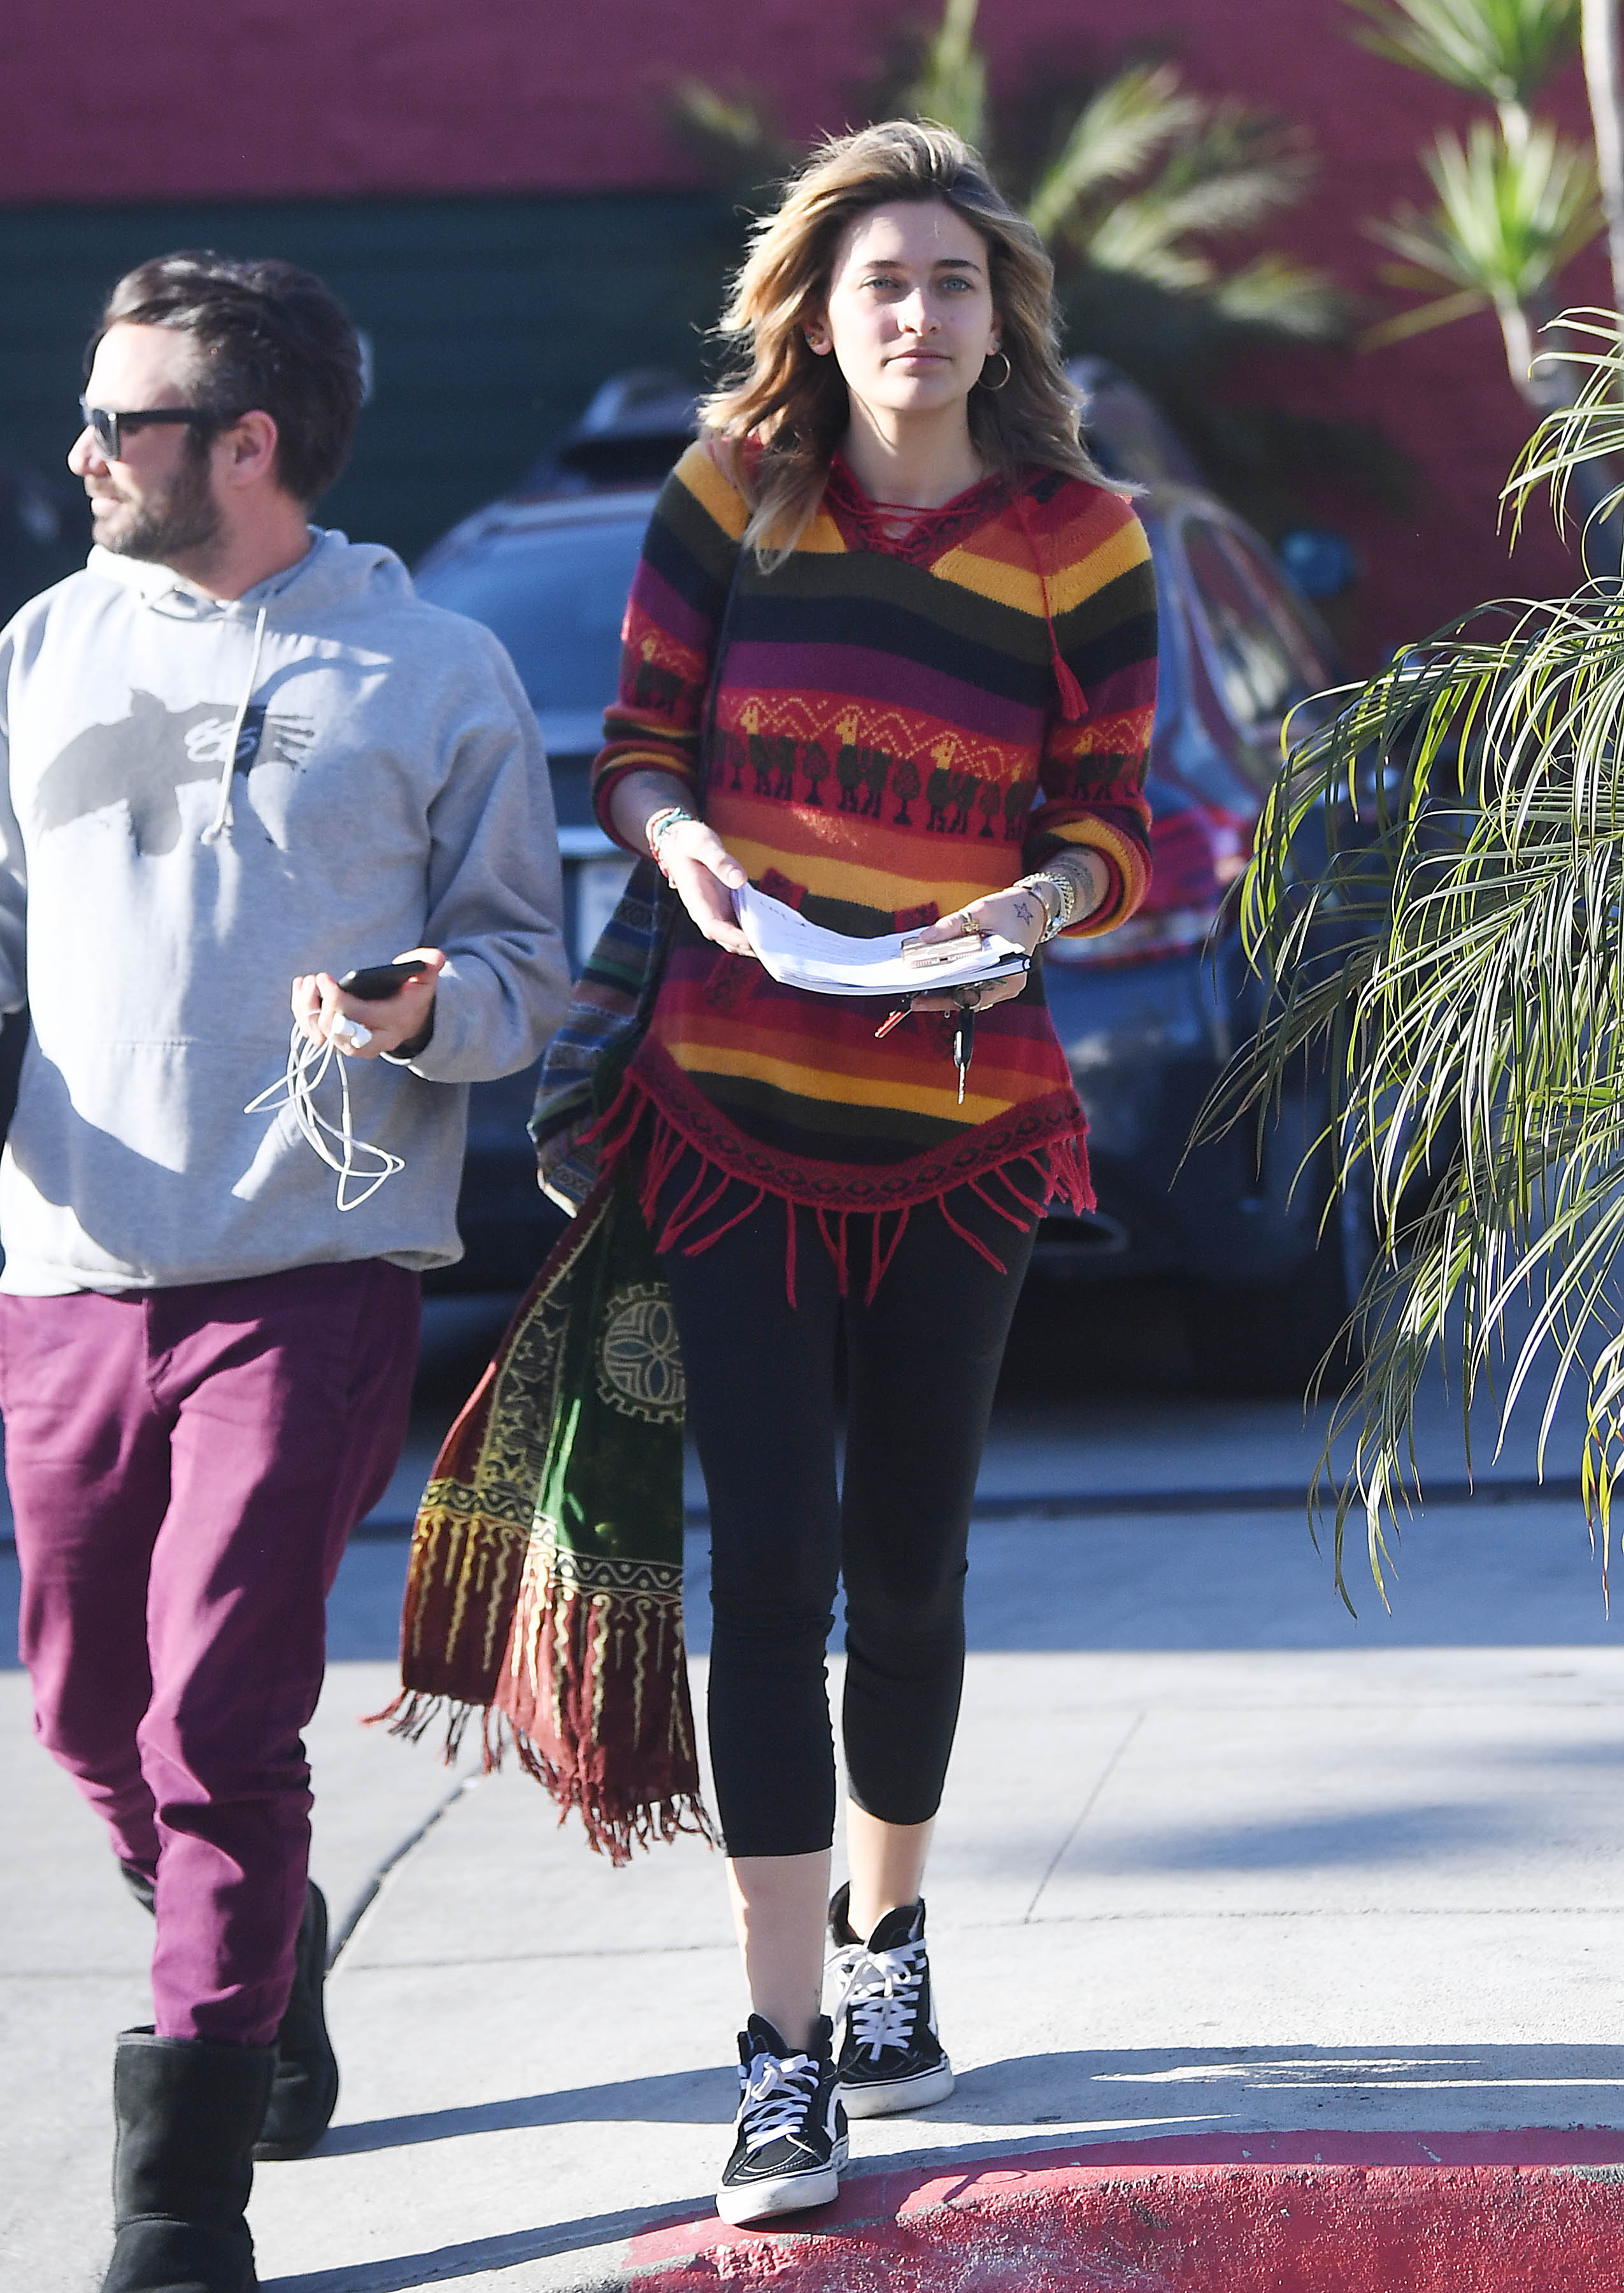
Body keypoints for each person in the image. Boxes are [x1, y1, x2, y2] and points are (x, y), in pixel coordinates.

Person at [589, 121, 1157, 2224]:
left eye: (952, 281)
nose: (919, 315)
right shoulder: (730, 492)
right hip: (729, 1105)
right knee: (770, 1570)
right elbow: (636, 748)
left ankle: (888, 1932)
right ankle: (779, 2056)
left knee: (909, 1564)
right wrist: (686, 846)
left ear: (1003, 317)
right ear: (819, 319)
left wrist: (1038, 908)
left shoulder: (1084, 535)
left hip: (964, 1125)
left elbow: (1112, 820)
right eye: (881, 284)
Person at [0, 252, 567, 2292]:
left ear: (245, 443)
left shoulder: (431, 670)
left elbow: (526, 970)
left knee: (217, 1721)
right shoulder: (43, 647)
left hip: (312, 1269)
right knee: (90, 1714)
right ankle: (251, 1935)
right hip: (66, 1263)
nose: (80, 451)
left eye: (120, 420)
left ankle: (182, 2194)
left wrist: (428, 1012)